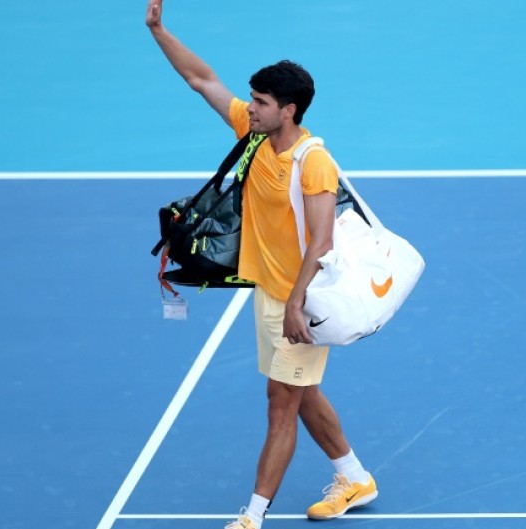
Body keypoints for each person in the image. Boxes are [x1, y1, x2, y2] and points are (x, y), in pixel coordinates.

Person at [145, 1, 378, 528]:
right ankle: (355, 476)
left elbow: (321, 240)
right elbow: (201, 79)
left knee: (280, 403)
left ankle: (252, 516)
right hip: (269, 292)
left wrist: (296, 304)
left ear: (288, 110)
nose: (249, 107)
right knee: (301, 390)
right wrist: (160, 31)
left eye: (260, 101)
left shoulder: (313, 162)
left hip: (303, 300)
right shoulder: (254, 140)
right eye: (250, 99)